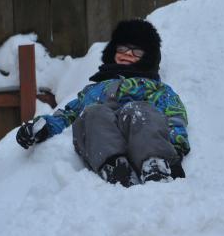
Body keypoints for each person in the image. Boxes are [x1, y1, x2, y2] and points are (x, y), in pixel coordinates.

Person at [16, 19, 190, 188]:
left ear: (149, 57)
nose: (128, 54)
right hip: (104, 143)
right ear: (113, 51)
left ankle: (156, 165)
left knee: (139, 110)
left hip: (142, 135)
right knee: (93, 113)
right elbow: (68, 114)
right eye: (123, 48)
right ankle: (116, 168)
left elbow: (173, 115)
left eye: (137, 51)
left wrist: (176, 147)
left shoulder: (155, 88)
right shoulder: (93, 90)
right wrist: (42, 128)